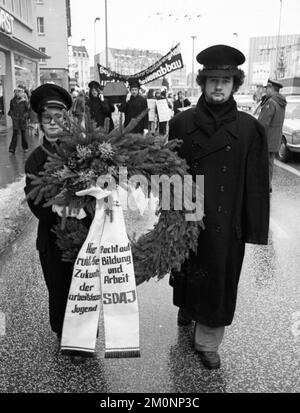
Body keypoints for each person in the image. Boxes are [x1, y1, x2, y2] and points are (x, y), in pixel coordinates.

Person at [168, 45, 270, 370]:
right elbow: (171, 174)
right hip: (190, 213)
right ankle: (186, 307)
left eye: (225, 80)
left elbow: (255, 182)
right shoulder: (181, 123)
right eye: (212, 79)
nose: (218, 86)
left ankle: (208, 341)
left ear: (235, 84)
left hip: (226, 223)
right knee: (187, 272)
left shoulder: (248, 128)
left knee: (219, 281)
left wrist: (253, 228)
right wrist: (170, 217)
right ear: (202, 82)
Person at [24, 84, 91, 342]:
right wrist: (57, 205)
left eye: (58, 117)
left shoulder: (80, 152)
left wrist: (87, 205)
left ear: (66, 120)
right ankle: (65, 333)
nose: (52, 123)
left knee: (84, 285)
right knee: (59, 286)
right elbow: (34, 200)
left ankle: (84, 337)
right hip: (52, 236)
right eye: (47, 118)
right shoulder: (35, 159)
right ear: (40, 121)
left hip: (84, 232)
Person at [258, 79, 287, 193]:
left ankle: (264, 186)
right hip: (275, 139)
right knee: (270, 164)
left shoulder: (271, 102)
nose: (266, 90)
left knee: (263, 164)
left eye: (267, 88)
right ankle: (268, 185)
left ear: (271, 88)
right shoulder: (281, 102)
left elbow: (262, 124)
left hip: (267, 139)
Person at [8, 88, 30, 154]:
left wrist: (24, 116)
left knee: (23, 134)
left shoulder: (24, 101)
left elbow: (28, 111)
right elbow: (11, 110)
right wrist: (12, 116)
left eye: (18, 92)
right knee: (14, 134)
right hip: (15, 120)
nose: (17, 94)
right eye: (16, 92)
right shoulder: (12, 101)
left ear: (21, 93)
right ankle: (12, 148)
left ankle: (25, 148)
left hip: (22, 120)